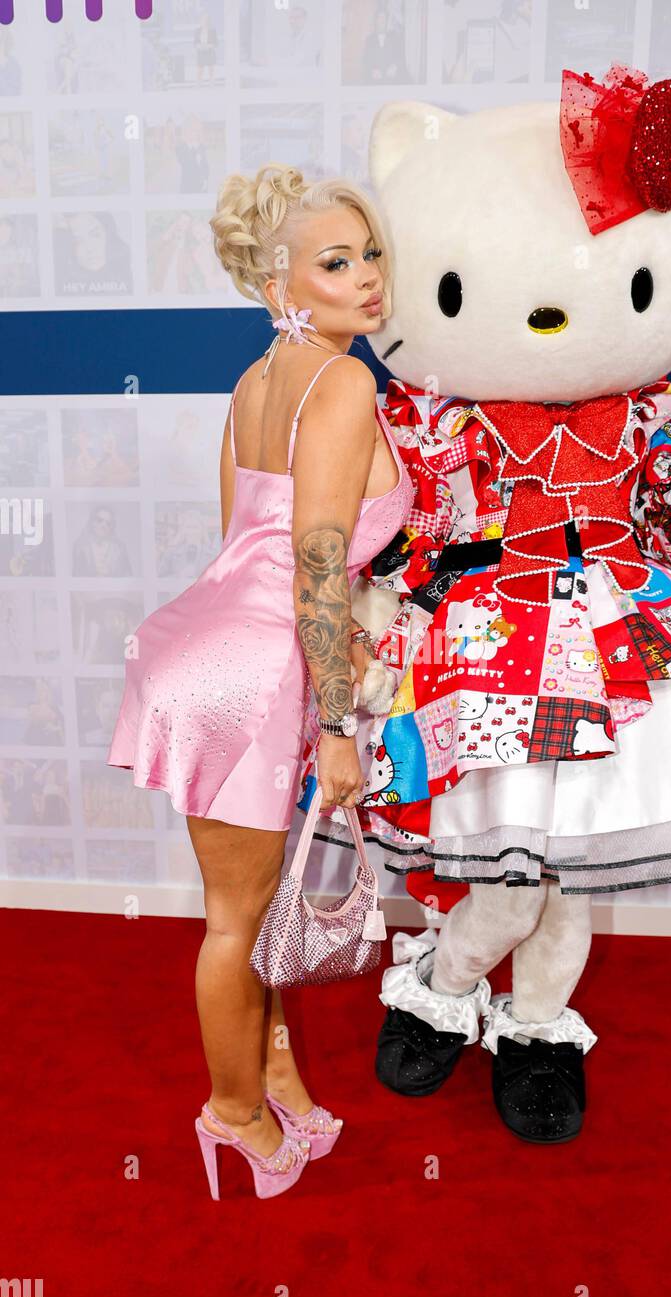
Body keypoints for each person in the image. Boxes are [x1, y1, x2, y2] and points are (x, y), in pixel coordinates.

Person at [106, 164, 413, 1197]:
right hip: (251, 671)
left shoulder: (253, 381)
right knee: (235, 920)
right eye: (336, 262)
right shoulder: (346, 382)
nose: (367, 277)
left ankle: (274, 1070)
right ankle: (229, 1113)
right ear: (280, 280)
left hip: (208, 645)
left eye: (370, 253)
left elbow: (243, 539)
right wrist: (335, 720)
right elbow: (316, 560)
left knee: (249, 900)